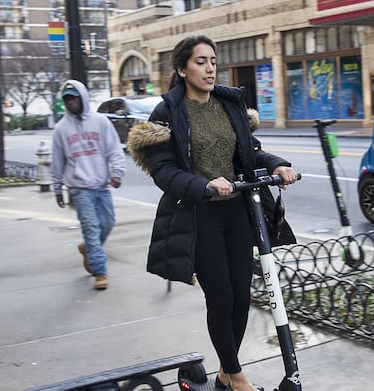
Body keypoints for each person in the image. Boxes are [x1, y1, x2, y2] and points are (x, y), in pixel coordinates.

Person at [126, 35, 297, 391]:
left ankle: (224, 373)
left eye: (213, 61)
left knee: (240, 297)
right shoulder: (168, 113)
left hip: (237, 211)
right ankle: (235, 376)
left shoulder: (229, 103)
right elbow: (164, 171)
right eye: (200, 61)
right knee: (220, 296)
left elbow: (251, 153)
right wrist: (202, 185)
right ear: (182, 69)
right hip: (200, 214)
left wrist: (279, 166)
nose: (209, 68)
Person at [52, 80, 126, 291]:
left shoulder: (100, 122)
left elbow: (114, 150)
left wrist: (117, 173)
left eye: (74, 98)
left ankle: (88, 249)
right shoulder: (61, 129)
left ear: (82, 97)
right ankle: (100, 271)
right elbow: (58, 161)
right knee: (91, 228)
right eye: (67, 99)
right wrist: (57, 188)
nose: (71, 102)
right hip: (79, 188)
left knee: (108, 223)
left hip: (102, 186)